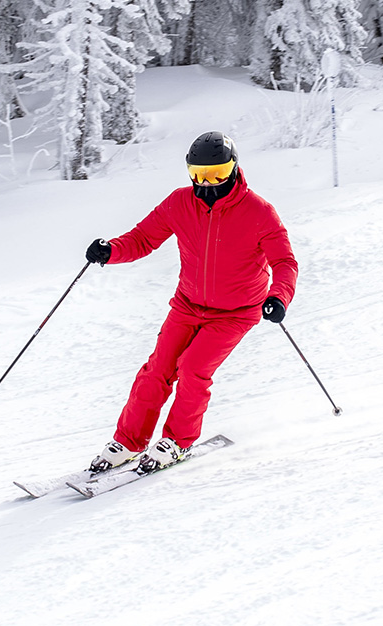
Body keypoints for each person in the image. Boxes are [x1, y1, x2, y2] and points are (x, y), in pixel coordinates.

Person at [84, 131, 298, 474]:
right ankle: (128, 442)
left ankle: (177, 442)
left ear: (234, 168)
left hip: (235, 313)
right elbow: (142, 238)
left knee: (194, 369)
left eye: (217, 173)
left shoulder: (259, 212)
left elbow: (285, 263)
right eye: (198, 174)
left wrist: (279, 296)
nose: (207, 182)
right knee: (157, 370)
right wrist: (110, 251)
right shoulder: (180, 202)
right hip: (187, 305)